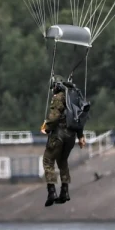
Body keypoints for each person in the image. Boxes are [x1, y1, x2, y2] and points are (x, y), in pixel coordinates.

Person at [41, 78, 86, 206]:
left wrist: (47, 128)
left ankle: (52, 192)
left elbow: (54, 116)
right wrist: (80, 136)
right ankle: (65, 192)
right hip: (71, 137)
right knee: (62, 162)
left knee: (48, 161)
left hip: (58, 136)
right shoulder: (73, 99)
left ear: (56, 87)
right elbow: (77, 119)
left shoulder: (59, 97)